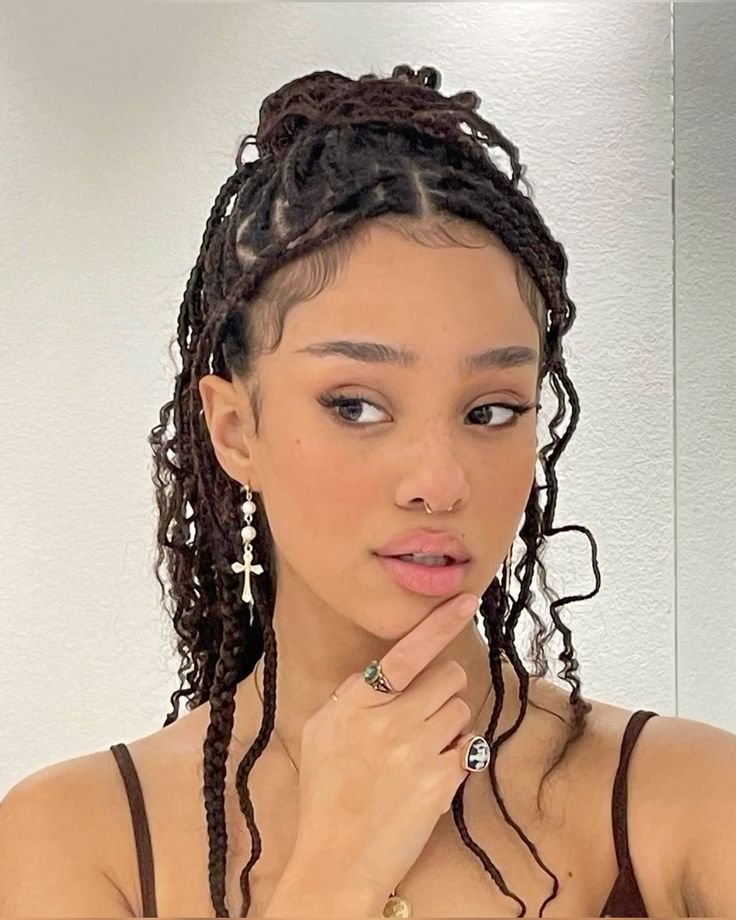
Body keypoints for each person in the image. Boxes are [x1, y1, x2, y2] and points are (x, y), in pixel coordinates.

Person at [1, 63, 735, 920]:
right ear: (235, 430)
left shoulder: (693, 803)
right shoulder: (75, 840)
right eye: (356, 406)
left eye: (491, 410)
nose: (439, 482)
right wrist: (336, 871)